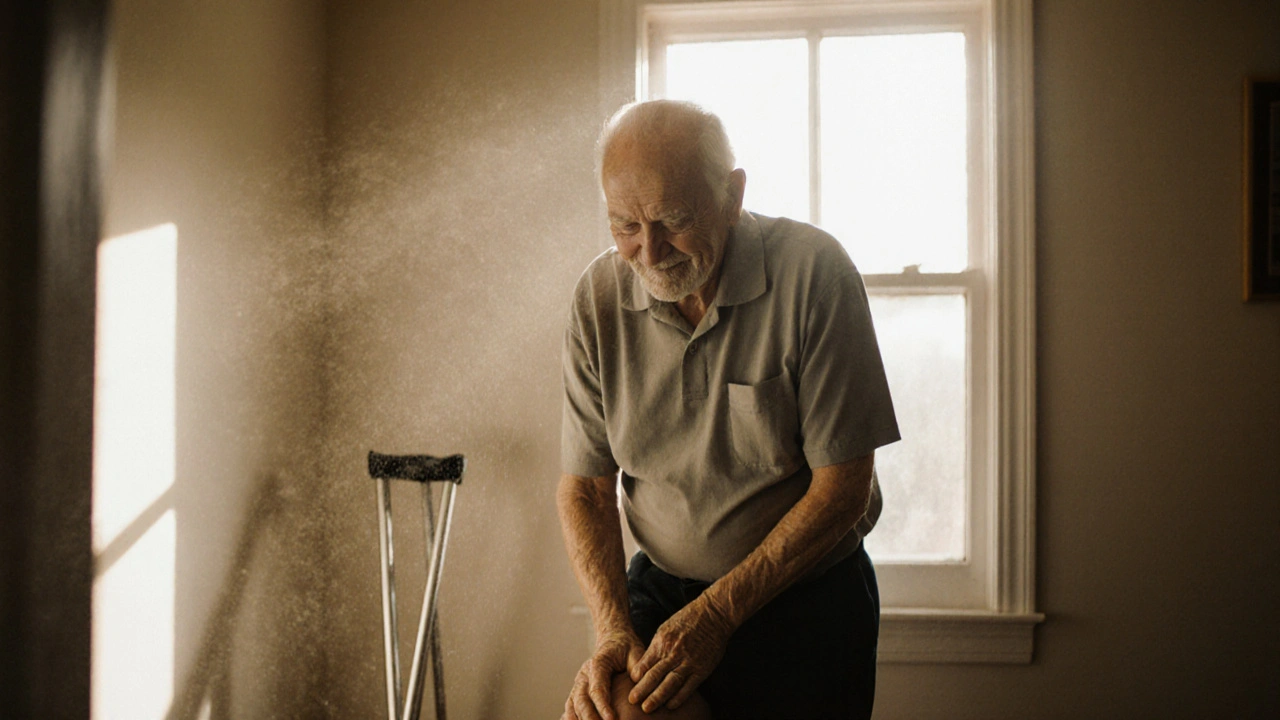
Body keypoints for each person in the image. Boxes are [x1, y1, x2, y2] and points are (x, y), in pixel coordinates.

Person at [558, 100, 899, 720]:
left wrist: (718, 614)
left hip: (806, 597)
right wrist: (612, 631)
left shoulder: (815, 272)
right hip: (663, 592)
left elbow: (844, 490)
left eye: (673, 220)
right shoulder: (598, 298)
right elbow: (584, 489)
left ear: (733, 193)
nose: (650, 252)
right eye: (624, 227)